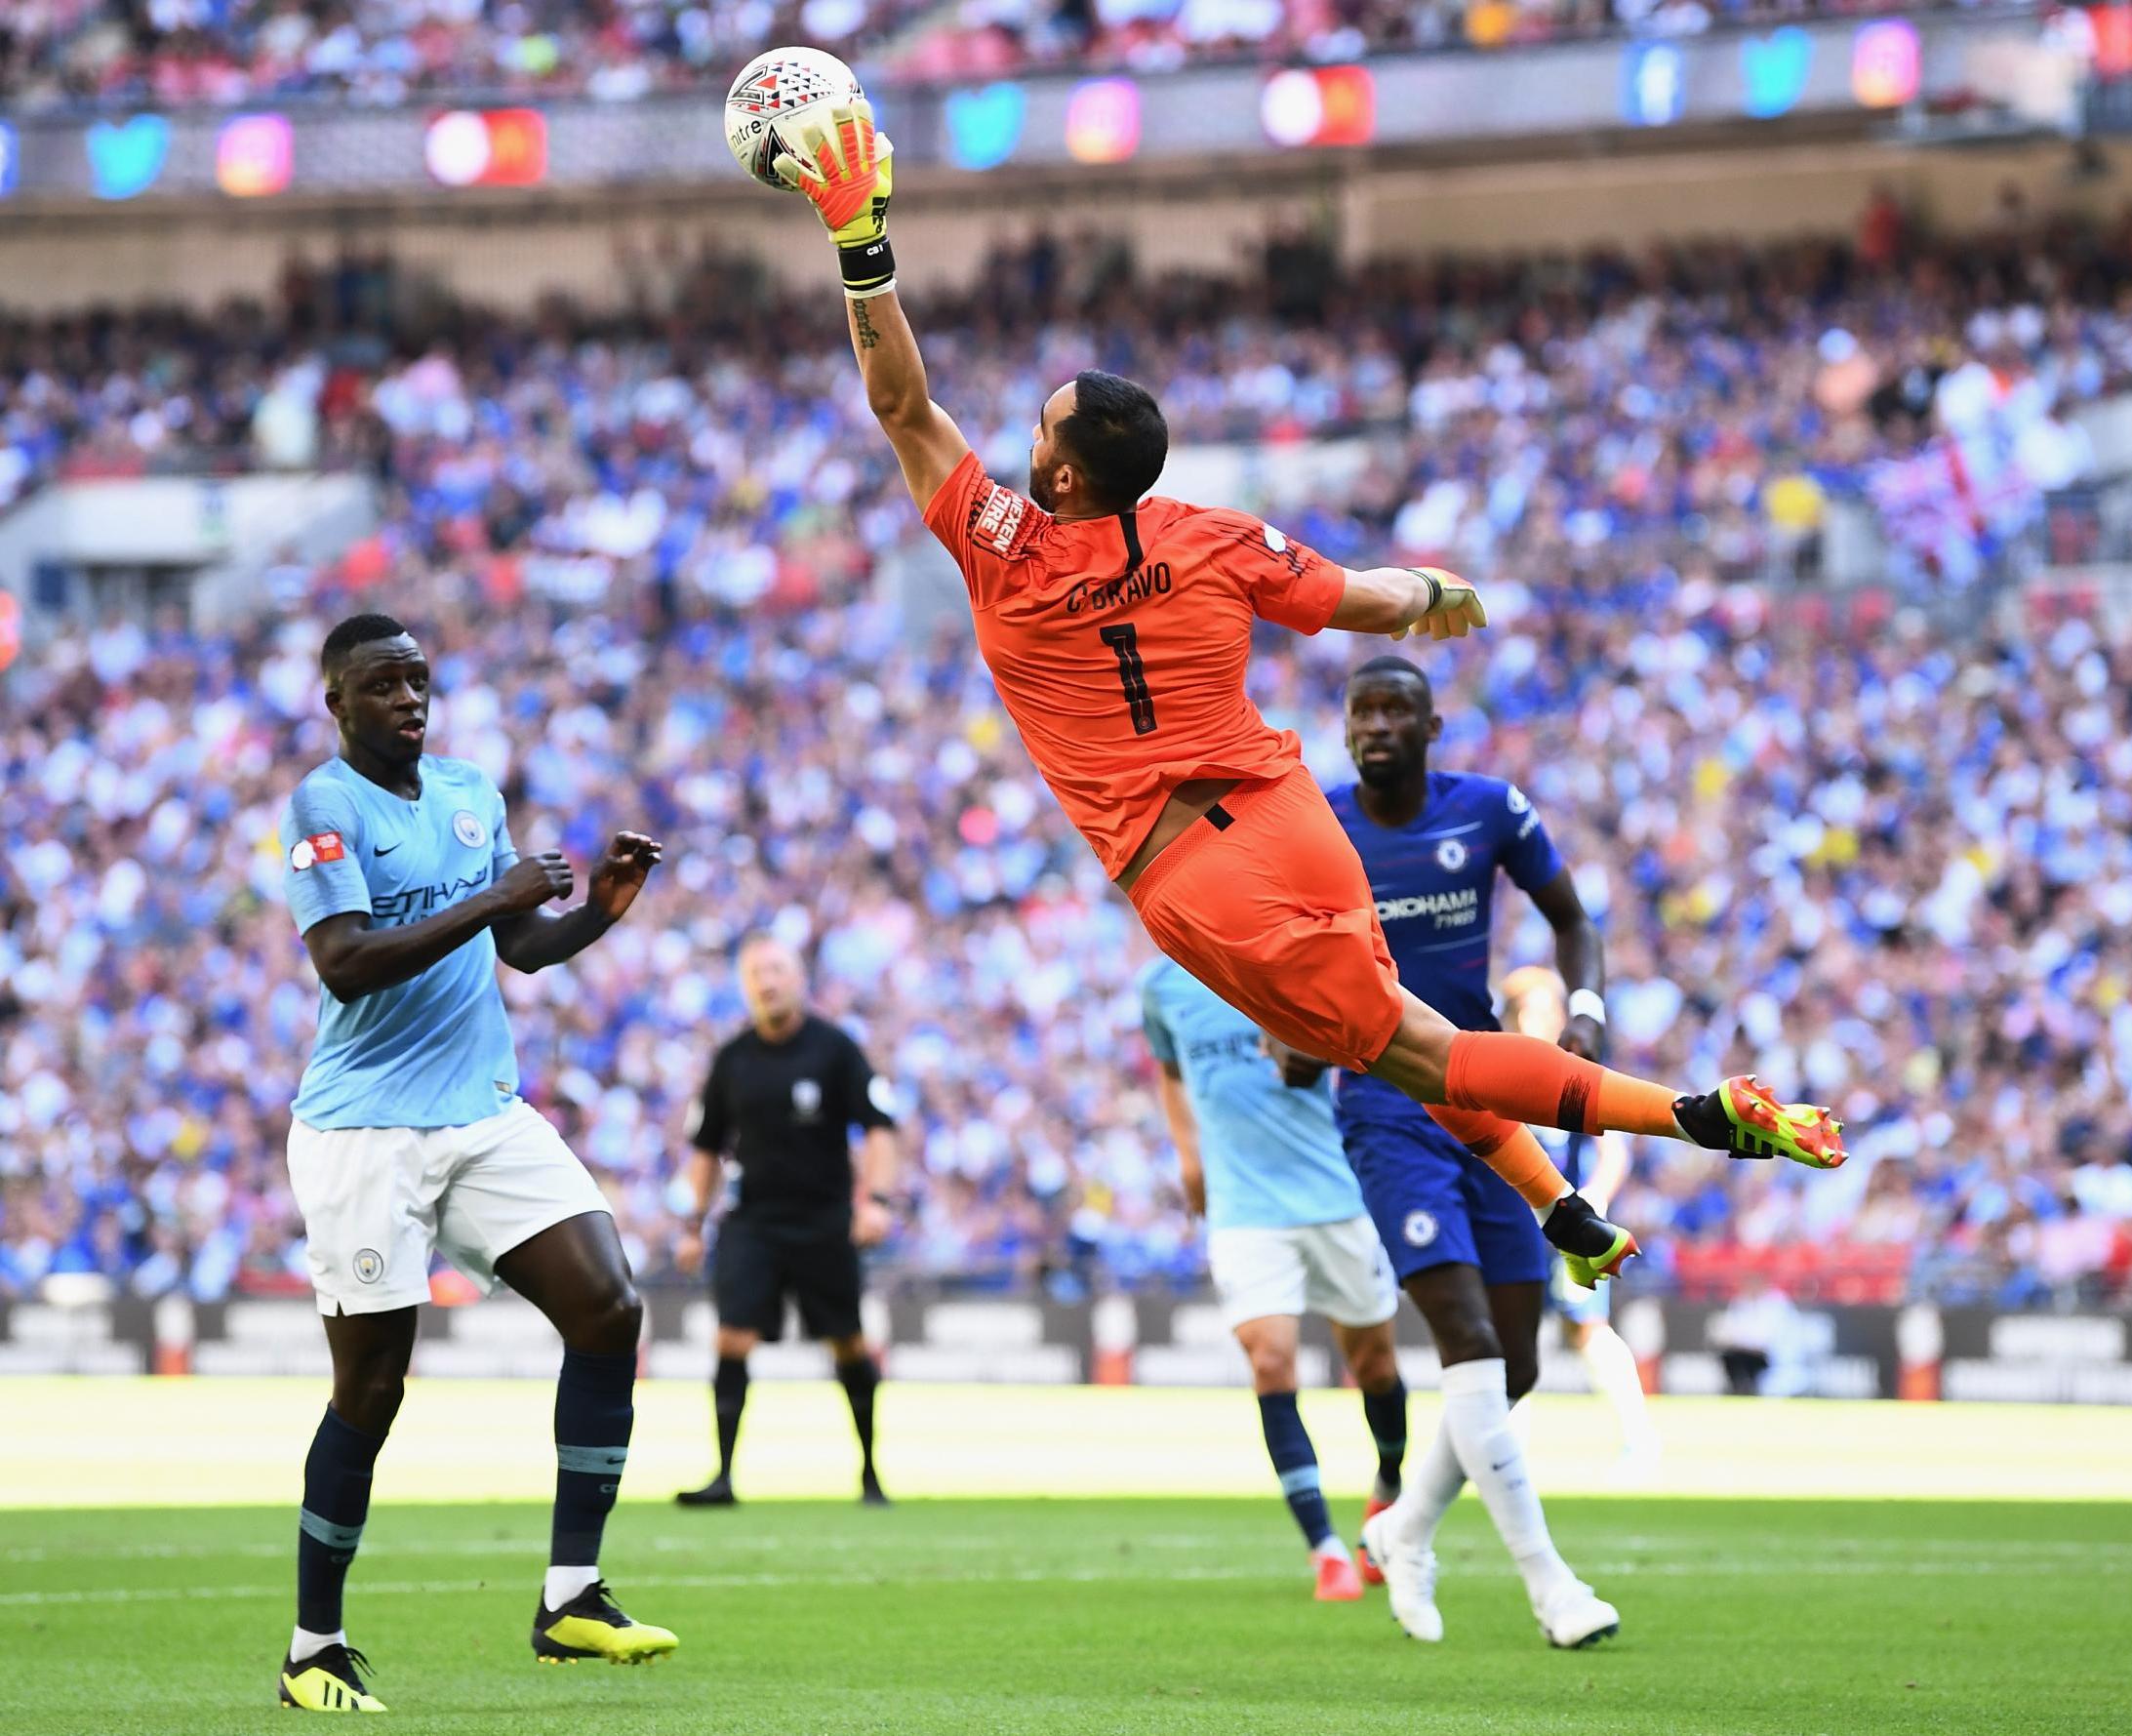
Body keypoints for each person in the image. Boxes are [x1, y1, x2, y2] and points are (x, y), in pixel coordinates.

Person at [770, 82, 1841, 1433]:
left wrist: (861, 238)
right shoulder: (1214, 535)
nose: (1022, 431)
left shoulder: (1005, 548)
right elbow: (1381, 599)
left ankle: (1691, 1115)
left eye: (1038, 428)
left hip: (1195, 880)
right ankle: (1561, 1202)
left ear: (1059, 479)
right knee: (1400, 1042)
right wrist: (1454, 593)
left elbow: (898, 398)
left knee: (1432, 1057)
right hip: (1287, 814)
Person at [275, 613, 676, 1713]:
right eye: (382, 684)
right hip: (365, 1134)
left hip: (480, 1114)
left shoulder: (468, 793)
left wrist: (594, 912)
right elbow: (347, 964)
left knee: (609, 1307)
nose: (409, 698)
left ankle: (572, 1595)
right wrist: (494, 898)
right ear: (337, 703)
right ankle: (313, 1649)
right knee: (373, 1388)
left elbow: (520, 948)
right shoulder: (324, 807)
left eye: (419, 680)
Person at [1323, 654, 1620, 1647]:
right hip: (1382, 1104)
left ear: (1430, 726)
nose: (1375, 725)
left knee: (1519, 1365)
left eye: (1394, 709)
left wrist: (1582, 1010)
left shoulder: (1488, 809)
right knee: (1471, 1345)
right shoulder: (1318, 825)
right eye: (1361, 710)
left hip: (1485, 1097)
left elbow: (1572, 920)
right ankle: (1552, 1589)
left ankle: (1404, 1527)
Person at [1140, 957, 1409, 1602]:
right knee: (1269, 1360)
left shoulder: (1283, 963)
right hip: (1243, 1210)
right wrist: (1187, 1155)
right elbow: (1170, 1070)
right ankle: (1325, 1551)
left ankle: (1388, 1490)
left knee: (1373, 1365)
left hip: (1337, 1196)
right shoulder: (1161, 987)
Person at [674, 935, 902, 1507]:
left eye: (775, 970)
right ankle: (723, 1476)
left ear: (798, 978)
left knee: (848, 1343)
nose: (766, 982)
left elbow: (879, 1128)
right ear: (745, 987)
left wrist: (876, 1199)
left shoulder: (836, 1050)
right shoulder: (731, 1059)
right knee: (732, 1336)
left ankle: (870, 1474)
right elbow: (706, 1149)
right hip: (752, 1221)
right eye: (755, 974)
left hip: (825, 1221)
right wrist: (691, 1224)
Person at [1501, 965, 1661, 1468]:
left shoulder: (1569, 1067)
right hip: (1510, 1222)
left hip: (1563, 1221)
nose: (1541, 1020)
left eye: (1549, 1010)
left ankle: (1638, 1439)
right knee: (1512, 1330)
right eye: (1531, 1010)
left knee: (1587, 1330)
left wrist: (1598, 1196)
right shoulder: (1492, 1066)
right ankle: (1508, 1453)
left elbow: (1611, 1142)